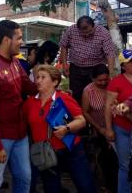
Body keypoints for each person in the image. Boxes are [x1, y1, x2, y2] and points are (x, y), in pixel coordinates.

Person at [0, 20, 37, 193]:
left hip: (20, 135)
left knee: (24, 178)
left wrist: (49, 86)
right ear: (6, 40)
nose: (22, 42)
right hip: (0, 137)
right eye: (18, 38)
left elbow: (27, 86)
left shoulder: (14, 61)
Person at [23, 65, 96, 193]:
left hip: (71, 149)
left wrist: (67, 128)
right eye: (37, 77)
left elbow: (82, 120)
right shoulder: (29, 103)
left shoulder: (64, 98)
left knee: (85, 185)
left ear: (55, 82)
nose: (38, 80)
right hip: (46, 153)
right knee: (51, 188)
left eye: (43, 77)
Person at [59, 15, 116, 104]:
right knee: (76, 94)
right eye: (83, 32)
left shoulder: (103, 33)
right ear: (78, 29)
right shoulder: (71, 30)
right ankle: (79, 115)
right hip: (75, 68)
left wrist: (110, 74)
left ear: (93, 25)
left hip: (95, 68)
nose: (87, 34)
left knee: (94, 94)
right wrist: (65, 64)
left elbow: (110, 53)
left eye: (89, 31)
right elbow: (64, 46)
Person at [105, 49, 132, 193]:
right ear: (124, 65)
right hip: (123, 129)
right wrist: (109, 129)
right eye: (131, 61)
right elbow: (108, 107)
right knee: (125, 166)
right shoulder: (117, 82)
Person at [82, 64, 118, 193]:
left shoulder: (113, 86)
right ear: (93, 78)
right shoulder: (88, 91)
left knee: (118, 159)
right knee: (107, 159)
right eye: (99, 80)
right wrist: (99, 129)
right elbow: (85, 112)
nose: (103, 83)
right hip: (100, 129)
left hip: (117, 127)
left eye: (105, 80)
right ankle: (109, 186)